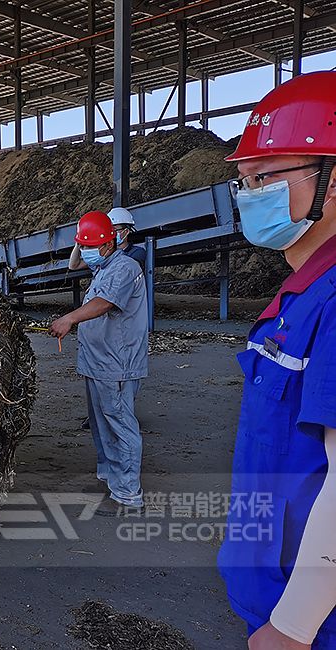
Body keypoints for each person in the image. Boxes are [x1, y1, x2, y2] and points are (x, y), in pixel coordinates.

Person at [216, 71, 336, 650]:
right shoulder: (302, 294)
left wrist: (294, 626)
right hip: (273, 590)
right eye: (244, 182)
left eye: (266, 177)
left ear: (333, 182)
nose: (251, 196)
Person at [50, 210, 149, 515]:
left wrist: (69, 318)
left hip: (116, 362)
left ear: (110, 243)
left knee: (119, 422)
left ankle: (129, 492)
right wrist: (80, 243)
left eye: (92, 246)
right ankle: (111, 476)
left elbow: (104, 303)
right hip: (98, 361)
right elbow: (78, 263)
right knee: (101, 421)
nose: (87, 252)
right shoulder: (104, 267)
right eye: (84, 245)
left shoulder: (124, 267)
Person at [68, 207, 146, 271]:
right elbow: (74, 265)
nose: (112, 233)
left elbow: (124, 271)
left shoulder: (136, 253)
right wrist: (79, 243)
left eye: (114, 230)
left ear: (126, 232)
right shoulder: (103, 253)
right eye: (109, 230)